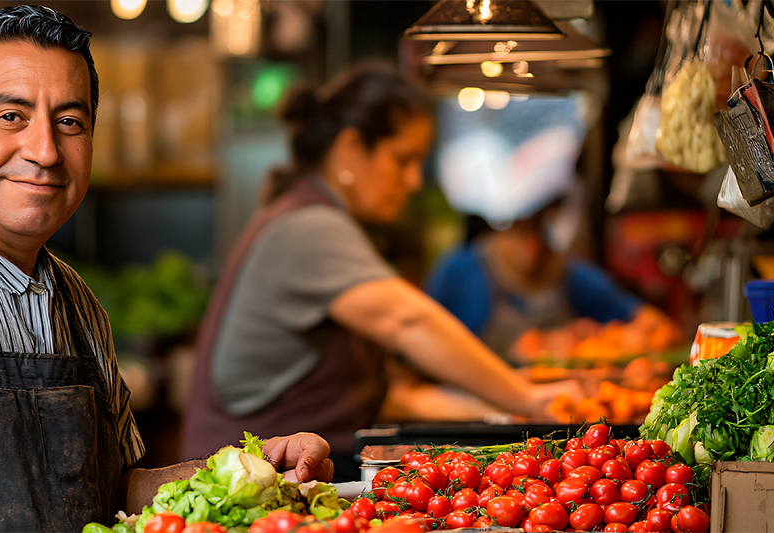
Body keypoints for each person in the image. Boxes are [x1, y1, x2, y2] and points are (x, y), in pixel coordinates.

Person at [0, 6, 331, 532]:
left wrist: (249, 476)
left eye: (70, 121)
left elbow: (109, 491)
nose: (46, 150)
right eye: (11, 117)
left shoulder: (74, 300)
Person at [180, 65, 583, 476]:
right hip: (243, 490)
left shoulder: (309, 216)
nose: (412, 182)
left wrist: (504, 415)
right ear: (351, 148)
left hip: (295, 477)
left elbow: (386, 397)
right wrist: (529, 399)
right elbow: (407, 321)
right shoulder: (309, 227)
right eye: (403, 160)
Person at [423, 199, 681, 364]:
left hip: (561, 398)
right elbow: (423, 340)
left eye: (539, 232)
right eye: (520, 233)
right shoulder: (458, 272)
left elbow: (654, 324)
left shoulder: (571, 274)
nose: (531, 249)